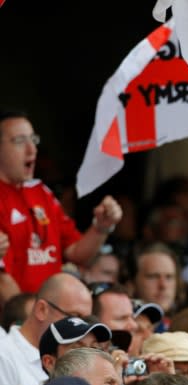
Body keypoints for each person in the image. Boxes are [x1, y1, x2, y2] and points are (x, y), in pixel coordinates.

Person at [0, 108, 123, 295]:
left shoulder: (40, 192)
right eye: (19, 141)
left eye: (33, 140)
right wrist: (27, 321)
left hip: (49, 315)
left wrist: (101, 228)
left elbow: (75, 253)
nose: (32, 149)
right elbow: (2, 281)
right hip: (18, 319)